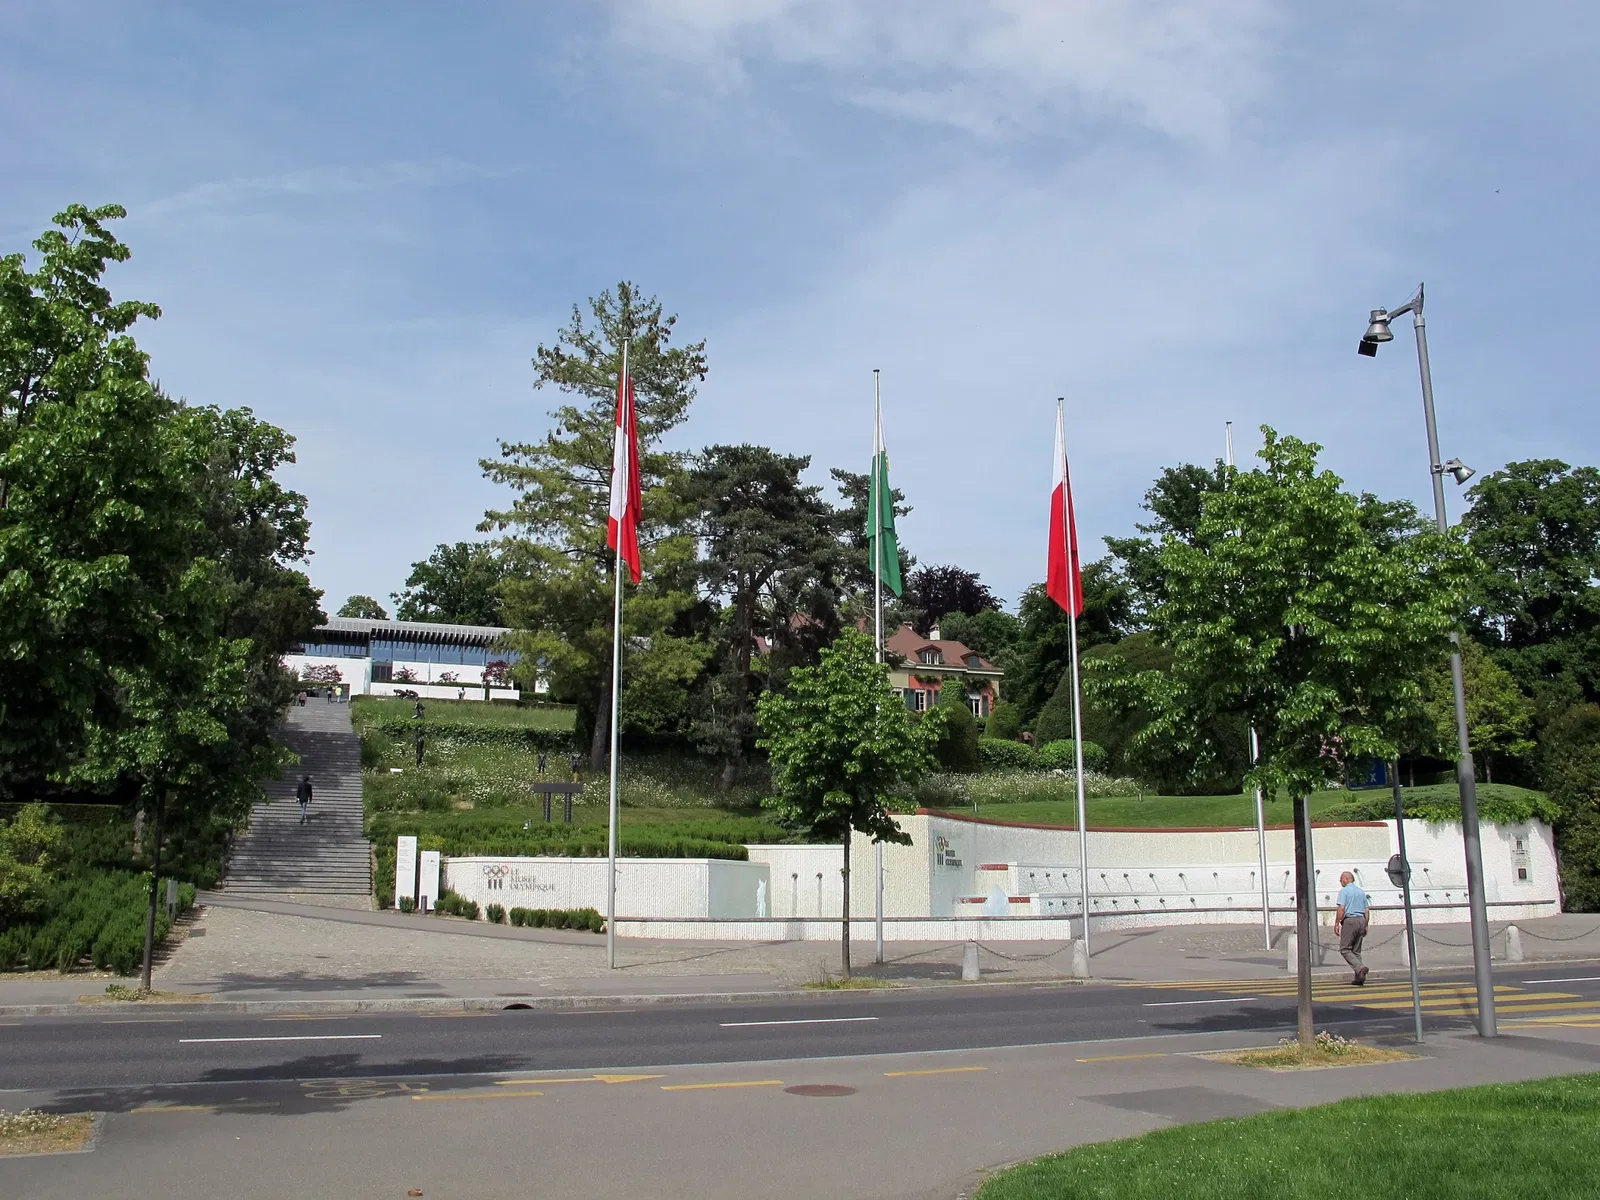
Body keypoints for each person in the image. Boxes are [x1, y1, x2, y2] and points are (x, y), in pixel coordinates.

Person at [1335, 870, 1370, 985]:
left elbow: (1341, 908)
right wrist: (1366, 925)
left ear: (1346, 879)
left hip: (1350, 921)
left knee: (1345, 949)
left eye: (1341, 879)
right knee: (1356, 950)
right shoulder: (1361, 892)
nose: (1340, 882)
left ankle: (1360, 968)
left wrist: (1337, 923)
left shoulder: (1344, 892)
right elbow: (1366, 910)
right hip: (1361, 920)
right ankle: (1359, 977)